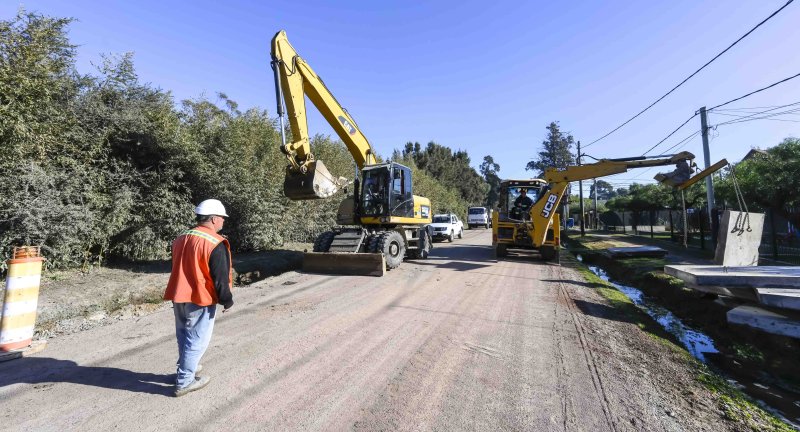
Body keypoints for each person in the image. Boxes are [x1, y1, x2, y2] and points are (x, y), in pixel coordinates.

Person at [164, 199, 234, 397]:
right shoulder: (214, 242)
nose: (223, 222)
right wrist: (226, 299)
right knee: (197, 339)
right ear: (213, 219)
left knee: (183, 335)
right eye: (222, 218)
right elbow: (219, 277)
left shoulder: (181, 237)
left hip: (179, 295)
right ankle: (185, 381)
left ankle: (187, 367)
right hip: (199, 298)